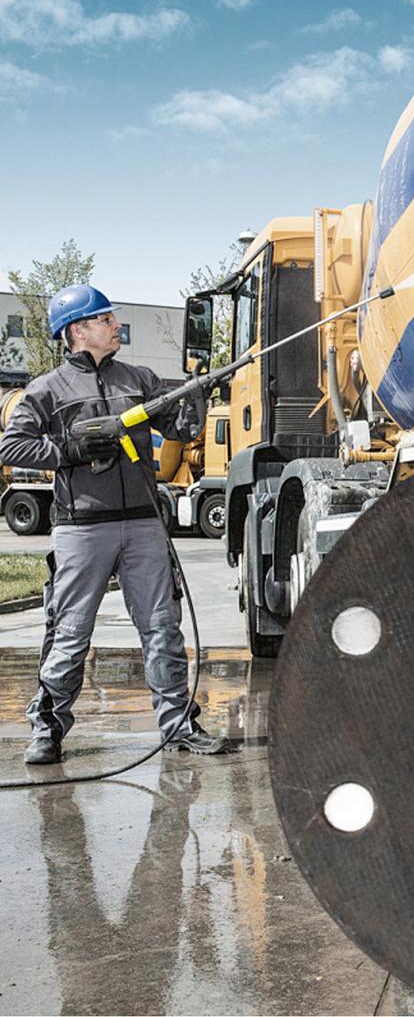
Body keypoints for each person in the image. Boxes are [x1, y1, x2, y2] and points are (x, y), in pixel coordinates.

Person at [0, 284, 229, 764]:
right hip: (82, 530)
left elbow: (183, 431)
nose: (113, 325)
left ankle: (178, 725)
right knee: (69, 632)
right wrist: (69, 452)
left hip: (144, 524)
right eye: (105, 319)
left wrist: (197, 396)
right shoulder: (47, 390)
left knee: (163, 628)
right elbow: (11, 447)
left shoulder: (139, 379)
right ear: (78, 331)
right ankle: (47, 730)